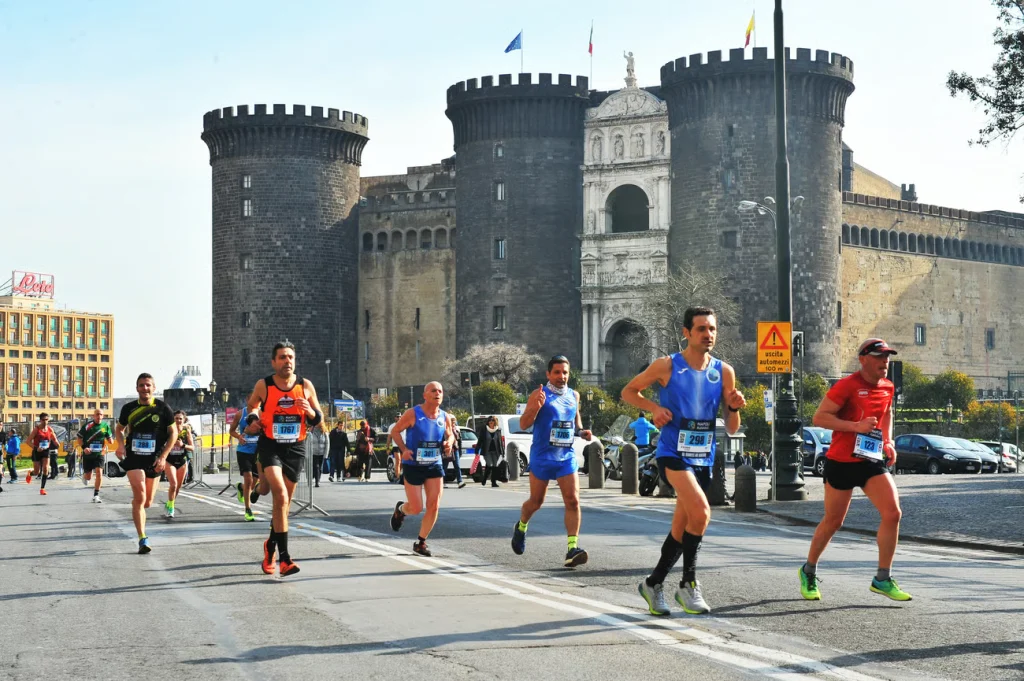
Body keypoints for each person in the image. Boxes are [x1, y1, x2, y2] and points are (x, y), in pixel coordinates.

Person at [621, 306, 746, 616]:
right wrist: (654, 408)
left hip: (703, 457)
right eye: (701, 329)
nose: (708, 334)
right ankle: (688, 584)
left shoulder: (724, 371)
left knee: (682, 528)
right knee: (702, 513)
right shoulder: (667, 366)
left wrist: (733, 407)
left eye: (712, 329)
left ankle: (653, 583)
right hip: (672, 454)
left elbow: (732, 428)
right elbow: (629, 391)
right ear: (686, 332)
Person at [799, 338, 911, 603]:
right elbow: (819, 417)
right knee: (833, 521)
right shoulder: (846, 386)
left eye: (887, 357)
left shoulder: (888, 386)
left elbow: (887, 414)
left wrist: (888, 441)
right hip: (841, 461)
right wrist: (856, 427)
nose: (885, 361)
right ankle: (808, 570)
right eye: (879, 357)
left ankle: (882, 578)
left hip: (870, 460)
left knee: (893, 513)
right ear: (863, 359)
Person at [244, 341, 325, 576]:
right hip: (270, 446)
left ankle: (270, 546)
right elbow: (252, 406)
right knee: (279, 495)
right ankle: (285, 559)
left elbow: (319, 418)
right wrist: (253, 420)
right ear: (274, 362)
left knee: (284, 506)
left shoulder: (305, 385)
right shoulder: (264, 385)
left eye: (290, 357)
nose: (287, 361)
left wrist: (309, 411)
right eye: (282, 357)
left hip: (296, 448)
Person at [511, 356, 593, 568]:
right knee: (536, 502)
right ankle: (521, 526)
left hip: (565, 456)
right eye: (557, 372)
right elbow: (524, 423)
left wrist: (582, 432)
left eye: (565, 372)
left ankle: (572, 548)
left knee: (573, 500)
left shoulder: (574, 395)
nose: (561, 376)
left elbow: (575, 423)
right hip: (542, 456)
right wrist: (536, 407)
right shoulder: (539, 394)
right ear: (548, 374)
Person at [389, 382, 455, 556]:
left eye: (440, 391)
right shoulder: (413, 413)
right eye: (433, 391)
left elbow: (450, 434)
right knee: (416, 508)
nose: (437, 393)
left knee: (434, 505)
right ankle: (401, 510)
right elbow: (395, 431)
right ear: (425, 395)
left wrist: (449, 443)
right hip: (413, 465)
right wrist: (404, 450)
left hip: (434, 464)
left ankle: (421, 542)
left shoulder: (445, 416)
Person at [116, 373, 178, 553]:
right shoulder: (128, 408)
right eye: (142, 385)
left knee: (148, 502)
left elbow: (173, 433)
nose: (145, 388)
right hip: (134, 457)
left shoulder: (163, 408)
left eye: (148, 385)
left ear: (154, 388)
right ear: (137, 388)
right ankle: (142, 538)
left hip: (155, 459)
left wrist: (164, 456)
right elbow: (119, 429)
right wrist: (121, 445)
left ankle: (138, 508)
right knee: (140, 497)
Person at [230, 405, 261, 520]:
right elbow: (231, 431)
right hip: (243, 451)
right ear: (248, 400)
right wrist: (239, 437)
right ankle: (248, 510)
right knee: (248, 479)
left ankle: (241, 488)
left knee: (254, 482)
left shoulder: (262, 413)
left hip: (257, 452)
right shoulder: (240, 414)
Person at [78, 409, 114, 503]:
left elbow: (109, 438)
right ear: (93, 416)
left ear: (103, 416)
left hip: (99, 454)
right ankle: (85, 475)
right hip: (88, 454)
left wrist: (110, 440)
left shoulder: (105, 426)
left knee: (99, 473)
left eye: (101, 414)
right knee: (88, 477)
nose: (99, 416)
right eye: (97, 414)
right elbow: (79, 438)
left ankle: (96, 495)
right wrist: (84, 448)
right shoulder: (88, 426)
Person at [163, 411, 194, 518]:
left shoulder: (186, 431)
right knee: (173, 484)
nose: (178, 420)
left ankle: (170, 502)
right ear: (173, 419)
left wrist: (182, 445)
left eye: (180, 418)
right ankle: (171, 508)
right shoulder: (169, 430)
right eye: (176, 418)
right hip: (170, 460)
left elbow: (192, 447)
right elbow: (161, 444)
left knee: (178, 487)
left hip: (182, 461)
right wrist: (168, 445)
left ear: (184, 419)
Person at [28, 413, 58, 495]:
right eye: (43, 420)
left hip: (46, 450)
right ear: (40, 420)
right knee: (37, 472)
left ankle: (42, 488)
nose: (45, 421)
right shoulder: (36, 429)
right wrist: (36, 448)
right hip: (37, 451)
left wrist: (57, 443)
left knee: (45, 469)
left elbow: (54, 438)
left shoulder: (50, 429)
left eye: (46, 420)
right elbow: (28, 441)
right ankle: (30, 473)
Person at [475, 416, 502, 487]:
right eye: (490, 420)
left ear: (495, 422)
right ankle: (484, 479)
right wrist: (477, 450)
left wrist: (502, 452)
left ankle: (493, 482)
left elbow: (500, 442)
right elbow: (480, 440)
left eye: (492, 420)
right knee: (490, 465)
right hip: (487, 451)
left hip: (496, 451)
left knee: (495, 466)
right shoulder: (484, 430)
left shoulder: (498, 430)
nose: (491, 422)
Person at [447, 413, 466, 489]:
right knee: (444, 466)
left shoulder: (457, 430)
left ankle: (460, 481)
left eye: (454, 421)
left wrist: (460, 451)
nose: (453, 422)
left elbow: (459, 441)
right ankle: (441, 482)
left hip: (455, 450)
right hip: (447, 450)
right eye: (451, 421)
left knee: (457, 466)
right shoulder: (445, 429)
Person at [309, 421, 329, 487]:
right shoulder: (311, 431)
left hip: (321, 453)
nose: (317, 424)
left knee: (319, 467)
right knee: (316, 466)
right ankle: (317, 481)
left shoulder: (324, 432)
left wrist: (326, 454)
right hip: (313, 452)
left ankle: (318, 479)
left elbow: (327, 443)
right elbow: (308, 442)